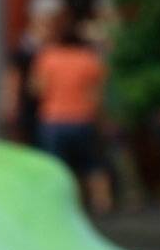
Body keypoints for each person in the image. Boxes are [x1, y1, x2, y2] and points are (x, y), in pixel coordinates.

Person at [31, 17, 111, 213]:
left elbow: (37, 88)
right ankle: (102, 203)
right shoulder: (90, 59)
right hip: (83, 118)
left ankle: (56, 206)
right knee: (92, 164)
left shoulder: (48, 56)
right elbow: (97, 95)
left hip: (53, 119)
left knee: (53, 166)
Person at [6, 0, 67, 145]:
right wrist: (11, 105)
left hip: (51, 111)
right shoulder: (25, 45)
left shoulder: (60, 44)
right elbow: (14, 76)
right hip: (28, 106)